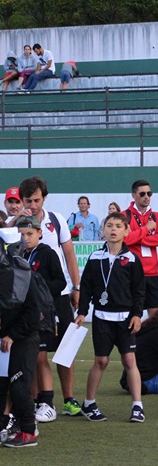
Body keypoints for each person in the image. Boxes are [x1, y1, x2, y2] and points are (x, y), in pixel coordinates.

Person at [18, 176, 83, 417]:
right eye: (28, 201)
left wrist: (76, 287)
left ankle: (69, 399)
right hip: (32, 301)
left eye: (37, 200)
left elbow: (69, 254)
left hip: (60, 295)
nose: (33, 205)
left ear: (44, 198)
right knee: (37, 352)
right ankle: (40, 401)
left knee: (66, 350)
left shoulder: (56, 219)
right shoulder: (17, 225)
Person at [75, 212, 146, 422]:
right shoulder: (95, 257)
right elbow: (86, 287)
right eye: (109, 225)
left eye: (118, 226)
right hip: (102, 318)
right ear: (103, 230)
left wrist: (137, 315)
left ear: (126, 231)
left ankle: (137, 406)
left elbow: (139, 291)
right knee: (101, 360)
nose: (113, 229)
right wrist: (82, 312)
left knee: (129, 359)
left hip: (125, 319)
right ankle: (89, 403)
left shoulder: (132, 259)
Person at [12, 215, 65, 425]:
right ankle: (33, 401)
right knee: (28, 359)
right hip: (21, 315)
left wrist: (38, 290)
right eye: (22, 234)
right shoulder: (15, 255)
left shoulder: (47, 253)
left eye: (30, 233)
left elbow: (60, 282)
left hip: (42, 314)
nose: (25, 238)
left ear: (40, 233)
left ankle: (48, 402)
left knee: (41, 358)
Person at [0, 233, 43, 447]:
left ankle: (28, 431)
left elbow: (34, 313)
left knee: (18, 385)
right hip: (7, 338)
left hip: (23, 338)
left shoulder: (24, 276)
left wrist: (12, 335)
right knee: (4, 385)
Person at [124, 180, 158, 316]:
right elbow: (125, 240)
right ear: (134, 195)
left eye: (149, 193)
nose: (146, 197)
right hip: (132, 273)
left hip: (152, 274)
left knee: (156, 317)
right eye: (142, 194)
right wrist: (146, 229)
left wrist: (137, 237)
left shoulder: (157, 216)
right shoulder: (124, 216)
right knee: (132, 316)